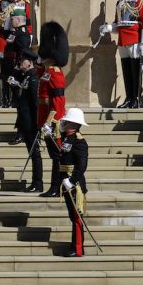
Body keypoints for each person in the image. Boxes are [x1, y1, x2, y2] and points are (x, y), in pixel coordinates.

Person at [99, 0, 143, 108]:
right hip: (122, 39)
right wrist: (109, 28)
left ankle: (136, 99)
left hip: (135, 39)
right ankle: (129, 98)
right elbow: (119, 23)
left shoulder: (139, 2)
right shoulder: (120, 3)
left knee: (135, 70)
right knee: (126, 70)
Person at [37, 21, 68, 198]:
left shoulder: (55, 73)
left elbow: (57, 102)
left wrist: (50, 123)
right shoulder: (48, 71)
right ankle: (55, 187)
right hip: (45, 120)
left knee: (57, 157)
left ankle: (56, 188)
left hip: (53, 123)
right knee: (54, 156)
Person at [8, 49, 43, 192]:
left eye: (23, 60)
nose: (20, 63)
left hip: (31, 121)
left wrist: (38, 123)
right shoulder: (26, 76)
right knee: (32, 152)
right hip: (25, 120)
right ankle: (36, 182)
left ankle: (37, 182)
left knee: (35, 153)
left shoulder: (33, 78)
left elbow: (35, 103)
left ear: (30, 63)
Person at [56, 108, 89, 257]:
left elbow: (82, 166)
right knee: (72, 216)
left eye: (67, 122)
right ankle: (74, 245)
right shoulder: (67, 138)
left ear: (74, 124)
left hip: (74, 184)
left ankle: (78, 249)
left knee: (76, 217)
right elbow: (58, 154)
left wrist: (72, 180)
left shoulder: (79, 142)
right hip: (66, 181)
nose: (65, 123)